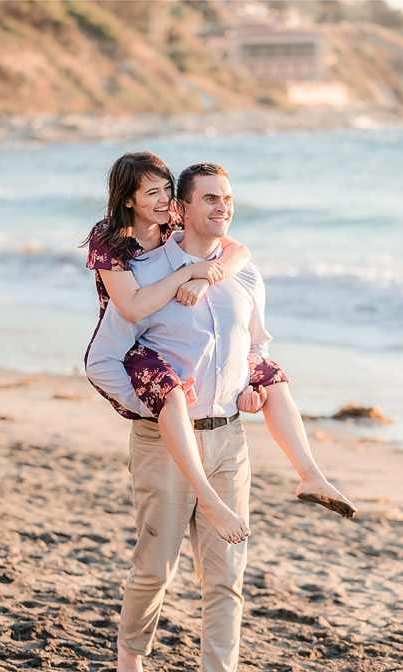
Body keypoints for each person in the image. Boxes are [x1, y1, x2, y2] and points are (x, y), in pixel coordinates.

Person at [85, 163, 348, 672]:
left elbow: (255, 345)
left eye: (227, 198)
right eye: (209, 198)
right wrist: (151, 408)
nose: (222, 206)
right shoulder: (143, 276)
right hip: (163, 445)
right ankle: (130, 657)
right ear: (180, 210)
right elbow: (104, 358)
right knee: (154, 571)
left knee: (226, 578)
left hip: (229, 441)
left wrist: (249, 384)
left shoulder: (244, 271)